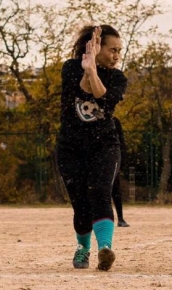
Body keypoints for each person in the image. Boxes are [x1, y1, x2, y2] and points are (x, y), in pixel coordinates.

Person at [56, 25, 127, 271]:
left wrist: (94, 71)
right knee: (81, 204)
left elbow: (102, 97)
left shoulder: (118, 78)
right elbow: (83, 89)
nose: (117, 55)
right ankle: (83, 248)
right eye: (112, 50)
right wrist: (88, 69)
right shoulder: (70, 68)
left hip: (104, 145)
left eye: (120, 50)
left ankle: (105, 248)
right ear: (95, 47)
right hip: (70, 147)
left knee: (99, 192)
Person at [112, 117, 129, 228]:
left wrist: (122, 160)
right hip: (97, 158)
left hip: (112, 157)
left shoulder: (114, 121)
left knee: (115, 189)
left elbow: (121, 142)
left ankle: (120, 218)